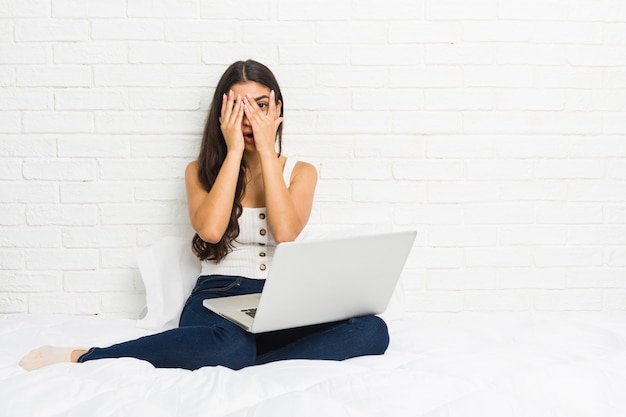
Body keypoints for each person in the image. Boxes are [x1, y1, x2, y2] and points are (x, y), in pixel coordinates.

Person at [19, 59, 390, 371]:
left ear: (277, 111)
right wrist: (232, 154)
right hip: (217, 296)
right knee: (227, 346)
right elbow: (211, 231)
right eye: (238, 107)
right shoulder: (200, 171)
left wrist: (265, 150)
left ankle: (246, 359)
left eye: (261, 105)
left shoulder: (300, 171)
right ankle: (87, 356)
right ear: (221, 113)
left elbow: (286, 233)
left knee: (373, 331)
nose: (250, 118)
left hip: (281, 298)